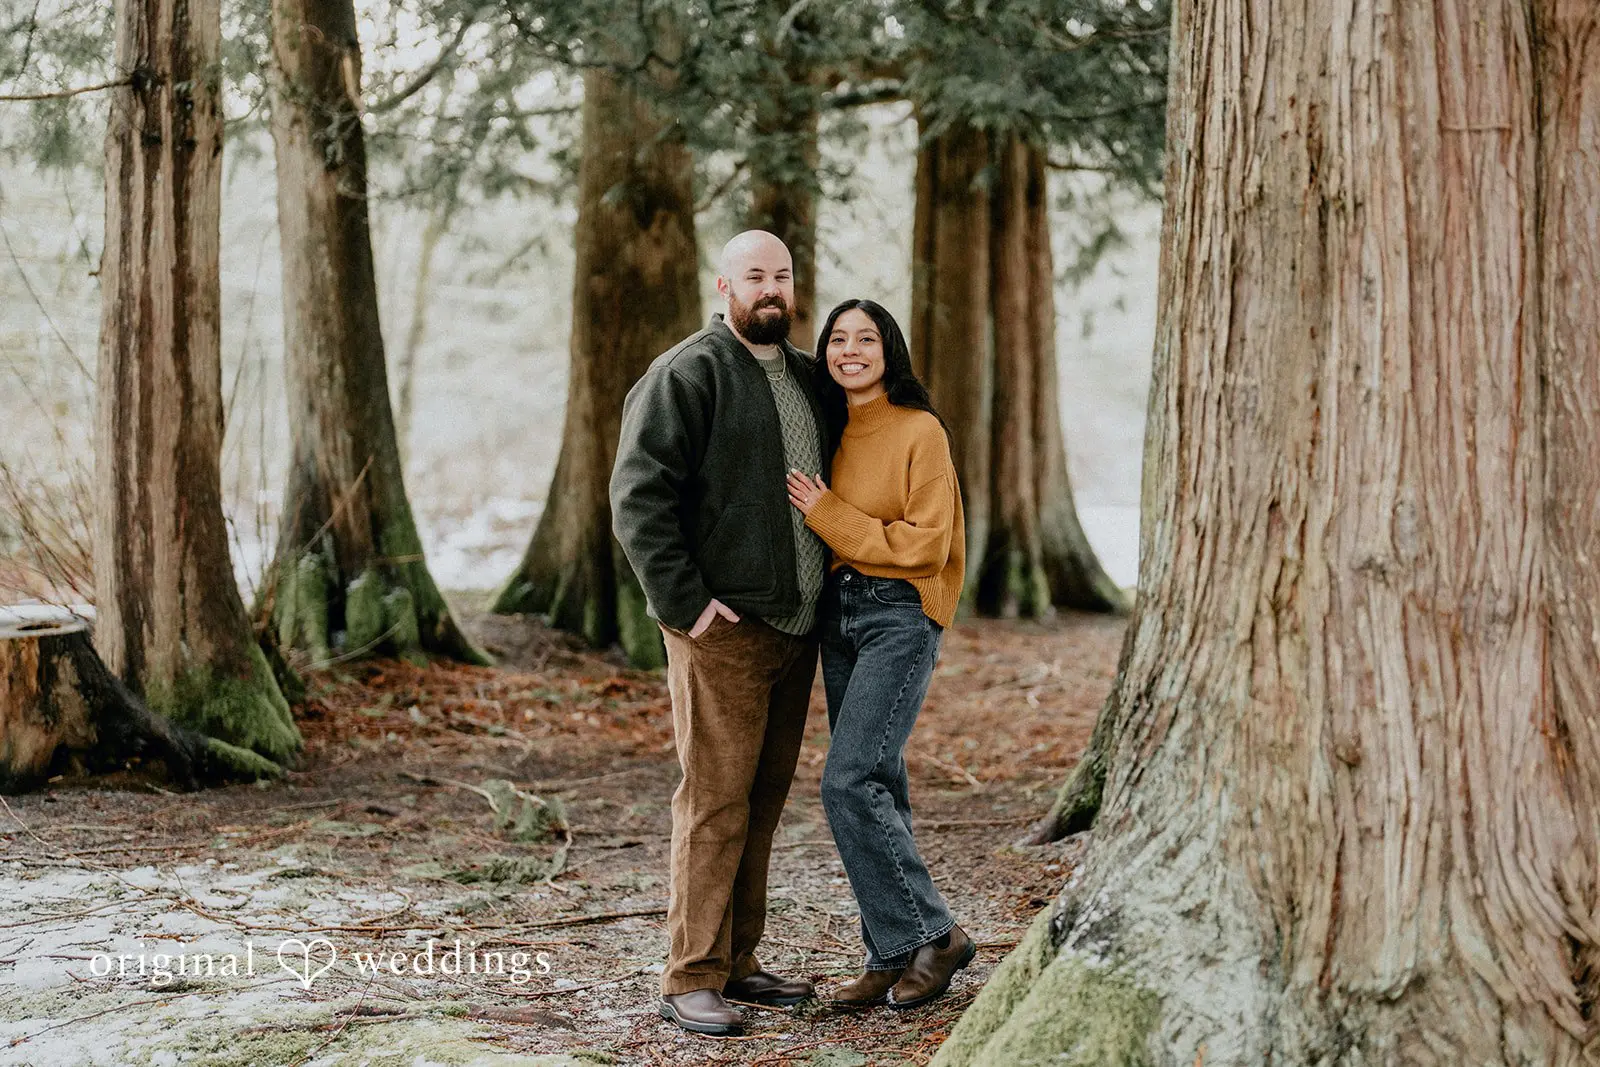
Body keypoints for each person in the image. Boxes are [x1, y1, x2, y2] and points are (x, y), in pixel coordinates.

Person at [610, 230, 830, 1037]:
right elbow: (638, 497)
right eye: (754, 275)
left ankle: (738, 958)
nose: (770, 288)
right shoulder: (687, 372)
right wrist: (689, 605)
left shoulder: (807, 376)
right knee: (713, 801)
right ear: (724, 285)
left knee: (762, 801)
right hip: (723, 631)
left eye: (782, 275)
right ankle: (690, 975)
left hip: (795, 628)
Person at [784, 298, 973, 1009]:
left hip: (900, 612)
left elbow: (927, 543)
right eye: (838, 338)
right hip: (840, 615)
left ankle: (936, 935)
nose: (850, 350)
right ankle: (892, 951)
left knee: (848, 779)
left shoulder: (921, 429)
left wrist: (829, 513)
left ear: (889, 350)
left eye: (866, 338)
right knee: (880, 782)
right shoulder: (830, 431)